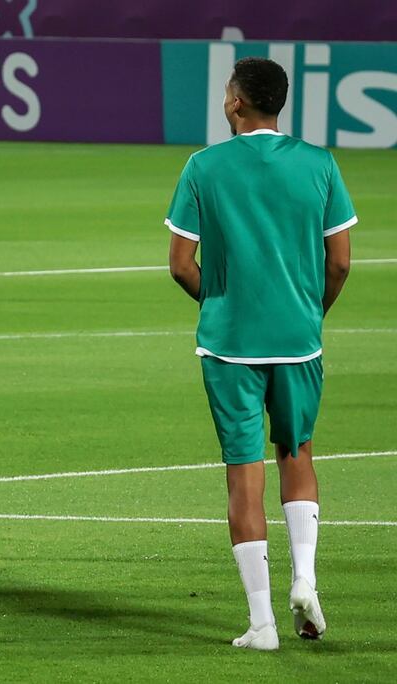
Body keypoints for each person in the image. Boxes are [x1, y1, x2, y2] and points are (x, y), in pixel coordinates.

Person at [166, 57, 355, 651]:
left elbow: (180, 264)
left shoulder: (203, 166)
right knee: (297, 453)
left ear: (236, 102)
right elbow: (341, 261)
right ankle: (305, 580)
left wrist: (221, 305)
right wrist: (309, 313)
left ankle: (263, 624)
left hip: (229, 345)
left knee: (243, 473)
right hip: (298, 340)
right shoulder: (320, 164)